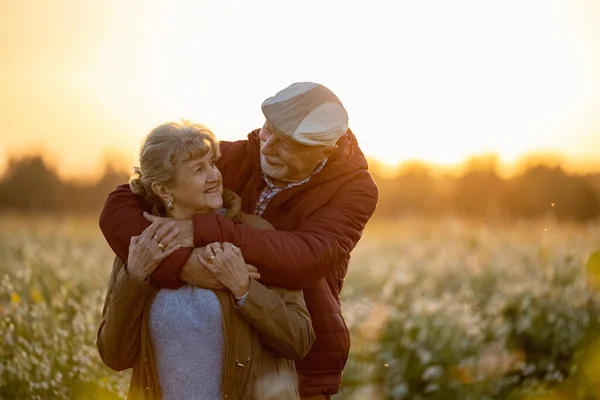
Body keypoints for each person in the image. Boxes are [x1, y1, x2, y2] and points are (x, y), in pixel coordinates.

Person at [99, 82, 379, 399]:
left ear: (325, 151)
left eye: (287, 145)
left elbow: (306, 257)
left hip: (305, 361)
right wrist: (183, 265)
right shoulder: (230, 158)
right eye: (268, 130)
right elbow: (120, 203)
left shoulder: (355, 190)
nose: (268, 147)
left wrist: (204, 233)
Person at [96, 122, 315, 399]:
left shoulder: (255, 234)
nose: (214, 176)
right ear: (164, 190)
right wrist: (135, 278)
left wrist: (245, 289)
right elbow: (114, 356)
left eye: (212, 163)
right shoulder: (142, 247)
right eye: (198, 169)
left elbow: (300, 340)